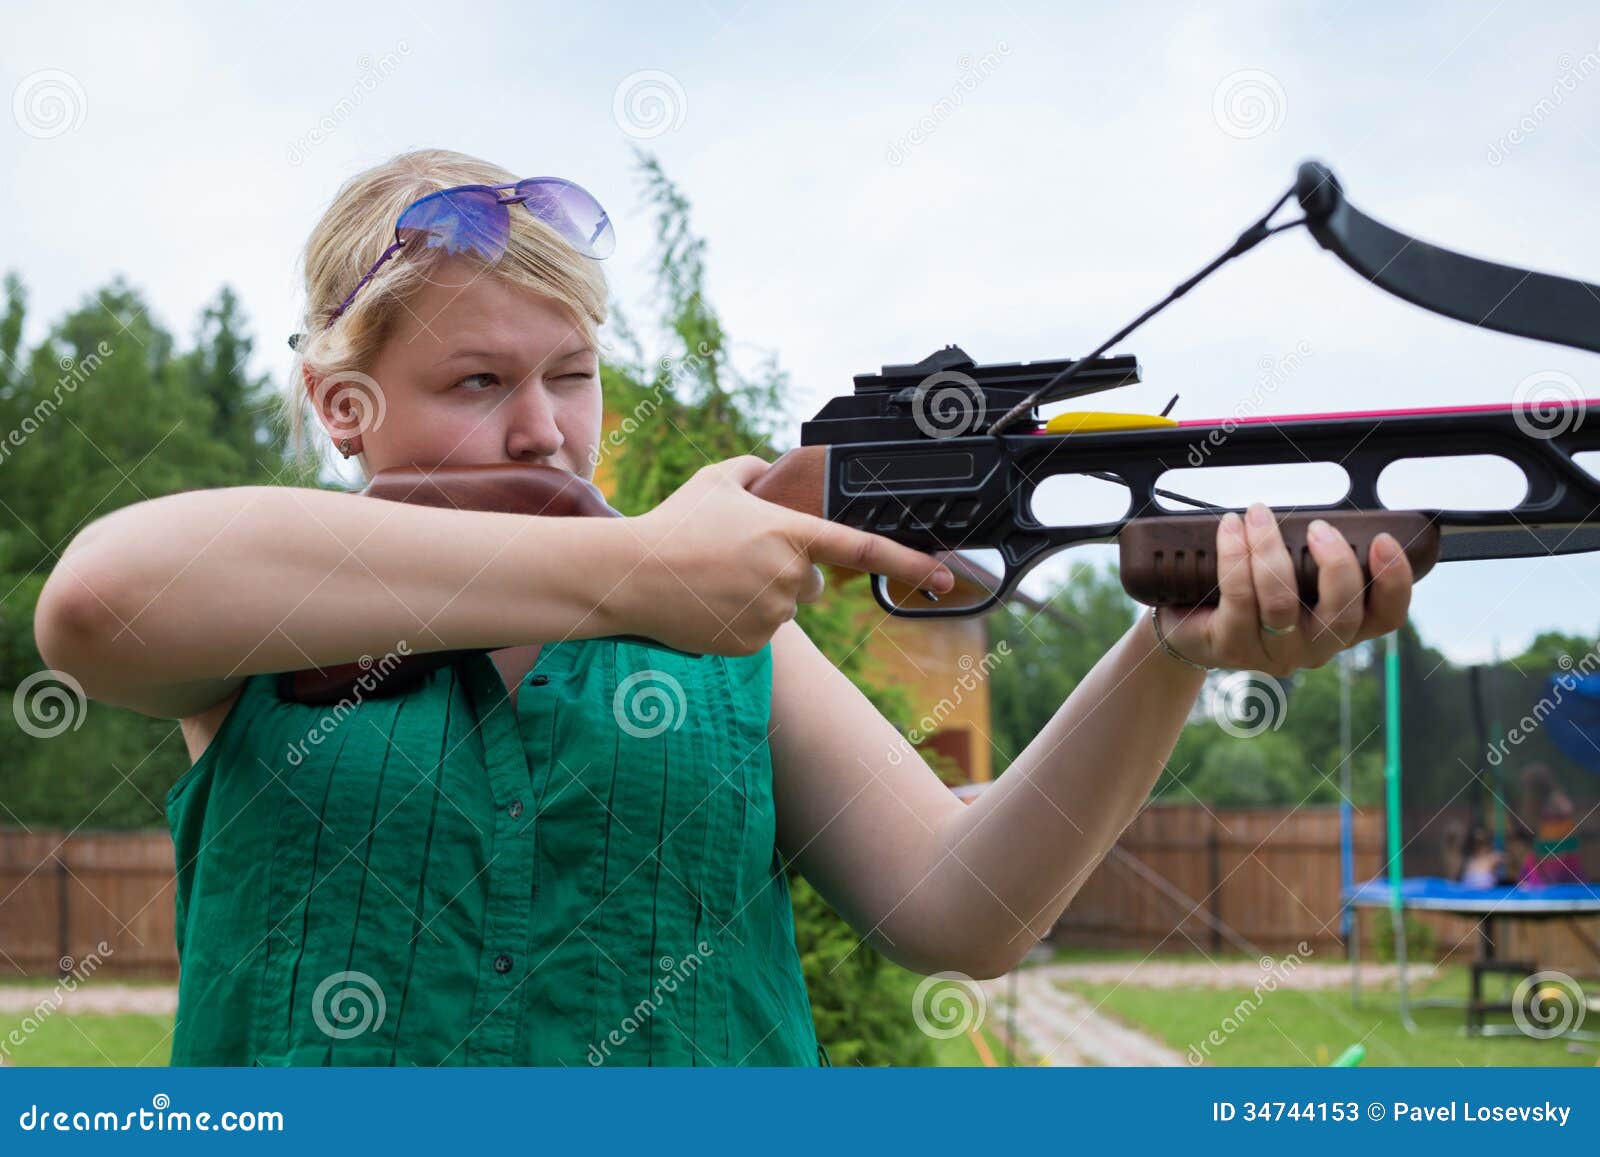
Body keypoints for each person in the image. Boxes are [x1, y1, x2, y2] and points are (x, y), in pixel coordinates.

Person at [31, 148, 1414, 1066]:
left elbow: (967, 909)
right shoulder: (264, 615)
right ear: (346, 407)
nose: (543, 431)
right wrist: (632, 574)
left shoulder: (730, 629)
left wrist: (1165, 650)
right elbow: (95, 602)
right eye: (476, 384)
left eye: (569, 374)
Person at [1516, 763, 1585, 886]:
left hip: (1562, 848)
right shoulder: (1532, 802)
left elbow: (1567, 810)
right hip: (1548, 849)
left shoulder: (1556, 798)